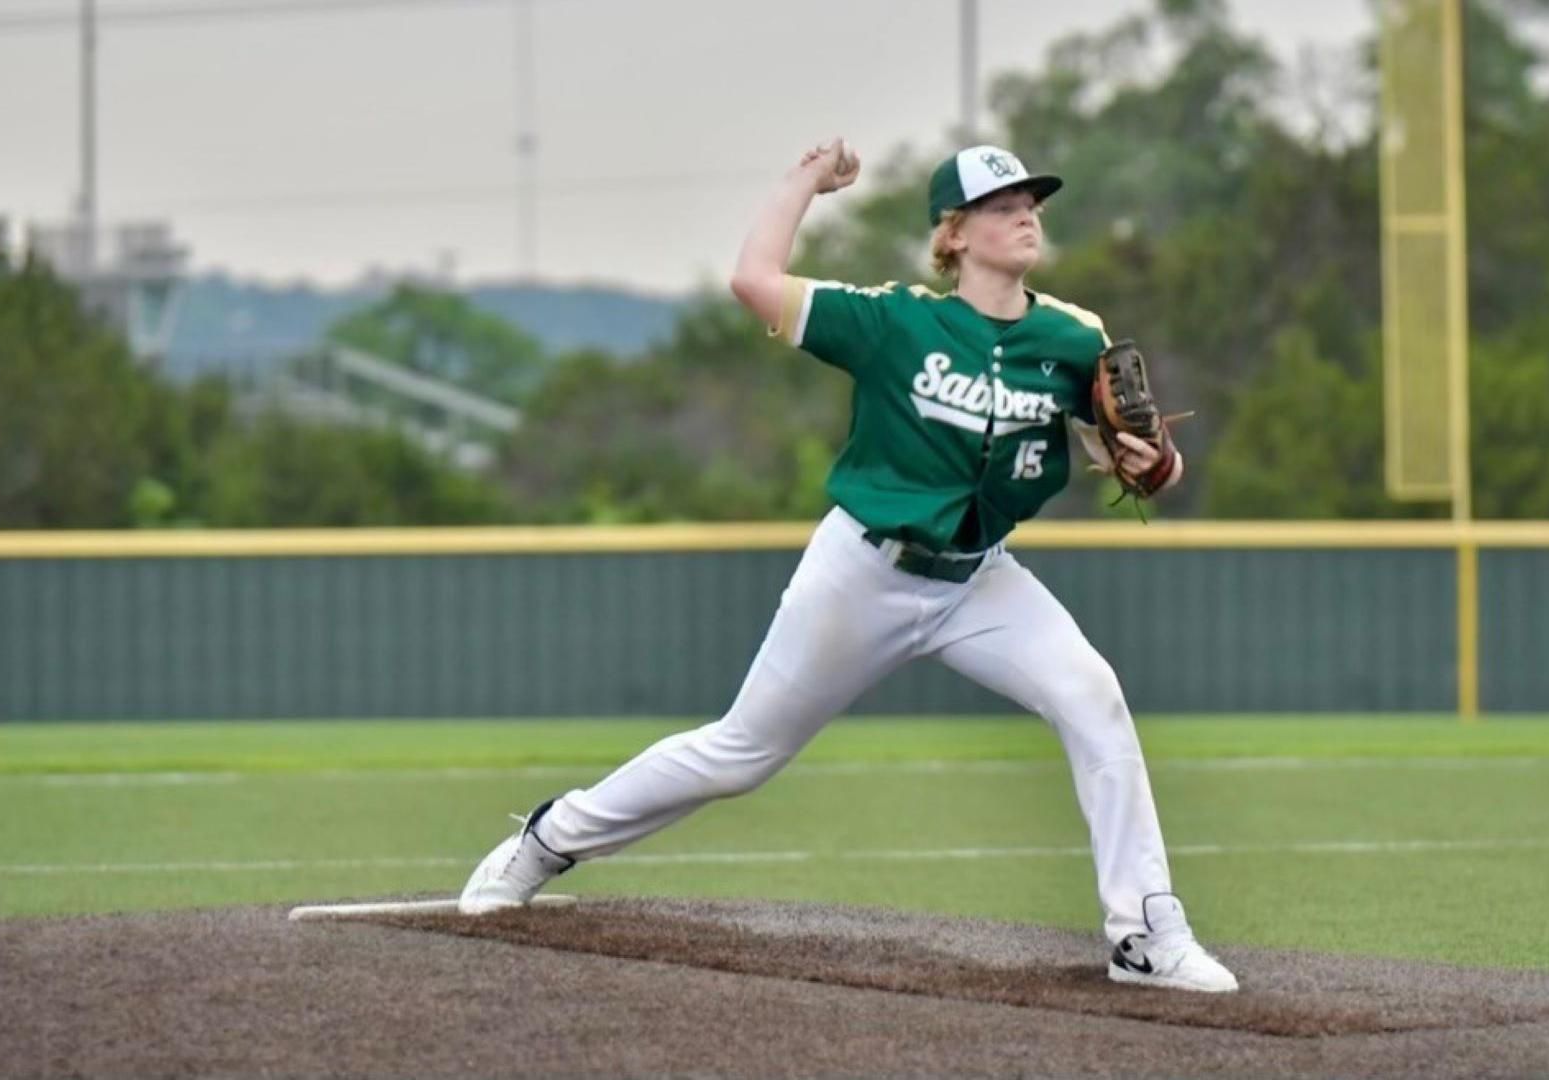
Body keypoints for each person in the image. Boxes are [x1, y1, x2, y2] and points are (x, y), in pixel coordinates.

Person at [459, 140, 1237, 993]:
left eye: (1032, 202)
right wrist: (803, 182)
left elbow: (1142, 463)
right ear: (953, 234)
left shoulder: (1071, 336)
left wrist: (1154, 463)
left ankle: (1146, 934)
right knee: (742, 753)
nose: (1026, 215)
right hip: (864, 570)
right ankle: (548, 839)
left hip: (980, 577)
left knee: (1094, 698)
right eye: (1002, 204)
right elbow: (754, 282)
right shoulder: (893, 321)